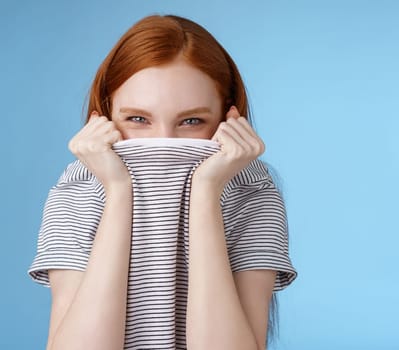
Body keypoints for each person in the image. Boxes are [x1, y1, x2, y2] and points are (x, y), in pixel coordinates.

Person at [27, 14, 297, 350]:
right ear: (106, 115)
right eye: (138, 119)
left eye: (192, 121)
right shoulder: (78, 190)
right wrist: (118, 191)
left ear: (227, 119)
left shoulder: (251, 193)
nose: (163, 141)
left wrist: (206, 193)